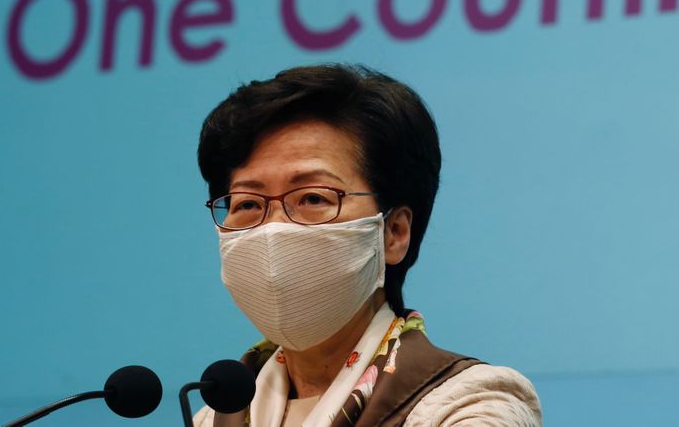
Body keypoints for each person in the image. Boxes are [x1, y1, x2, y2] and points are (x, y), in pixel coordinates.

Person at [193, 64, 542, 426]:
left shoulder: (471, 403)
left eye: (313, 198)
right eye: (248, 204)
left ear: (394, 232)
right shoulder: (211, 418)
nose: (273, 229)